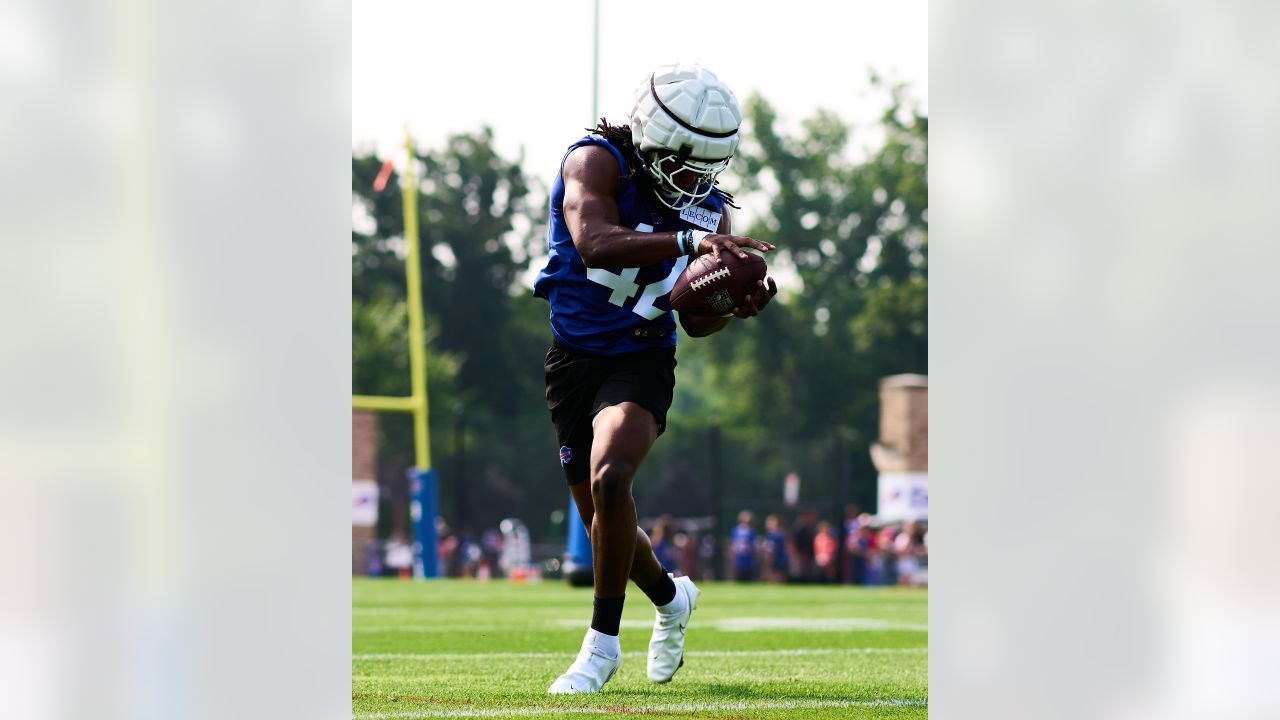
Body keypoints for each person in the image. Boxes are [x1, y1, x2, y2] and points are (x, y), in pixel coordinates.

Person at [534, 63, 777, 694]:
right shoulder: (594, 161)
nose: (698, 181)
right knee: (600, 513)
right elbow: (593, 241)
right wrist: (689, 244)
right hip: (573, 357)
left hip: (641, 355)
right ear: (653, 139)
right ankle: (672, 599)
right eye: (687, 161)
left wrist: (730, 303)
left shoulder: (708, 210)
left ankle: (601, 647)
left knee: (612, 478)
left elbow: (696, 324)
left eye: (708, 167)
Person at [729, 510, 758, 582]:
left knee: (748, 578)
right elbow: (732, 545)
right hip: (738, 558)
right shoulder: (735, 530)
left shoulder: (751, 531)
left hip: (748, 559)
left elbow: (754, 547)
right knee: (738, 577)